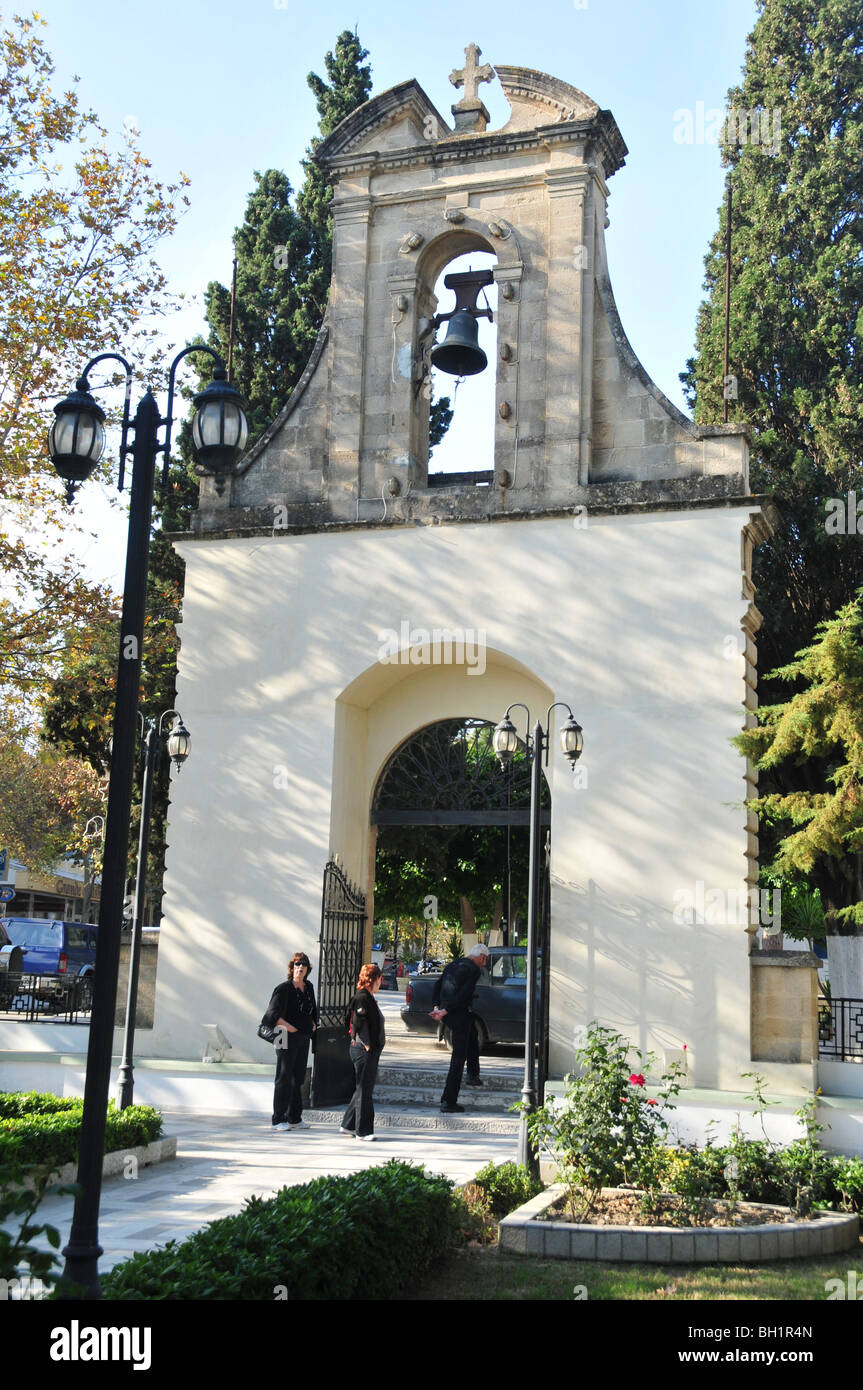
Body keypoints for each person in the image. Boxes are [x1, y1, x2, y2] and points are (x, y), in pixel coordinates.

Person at [432, 944, 489, 1113]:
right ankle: (449, 1101)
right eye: (485, 960)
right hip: (458, 1012)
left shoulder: (453, 964)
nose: (484, 964)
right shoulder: (474, 970)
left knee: (473, 1035)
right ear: (482, 957)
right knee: (458, 1058)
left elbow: (437, 985)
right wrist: (446, 1009)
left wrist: (437, 1007)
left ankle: (473, 1074)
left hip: (450, 1012)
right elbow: (464, 993)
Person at [265, 952, 319, 1132]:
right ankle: (278, 1118)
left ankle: (294, 1118)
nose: (300, 968)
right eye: (297, 965)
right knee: (283, 1076)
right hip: (284, 1036)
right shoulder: (283, 989)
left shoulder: (308, 987)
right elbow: (272, 1015)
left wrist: (312, 1024)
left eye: (303, 965)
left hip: (302, 1037)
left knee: (298, 1078)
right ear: (291, 968)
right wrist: (290, 1027)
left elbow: (311, 1011)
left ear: (307, 969)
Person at [341, 963, 386, 1141]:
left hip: (368, 1050)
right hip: (364, 1051)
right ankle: (363, 1130)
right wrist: (367, 1044)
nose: (381, 982)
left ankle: (348, 1125)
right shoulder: (362, 998)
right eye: (379, 978)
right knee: (364, 1091)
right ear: (373, 979)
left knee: (362, 1088)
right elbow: (358, 1024)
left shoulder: (368, 998)